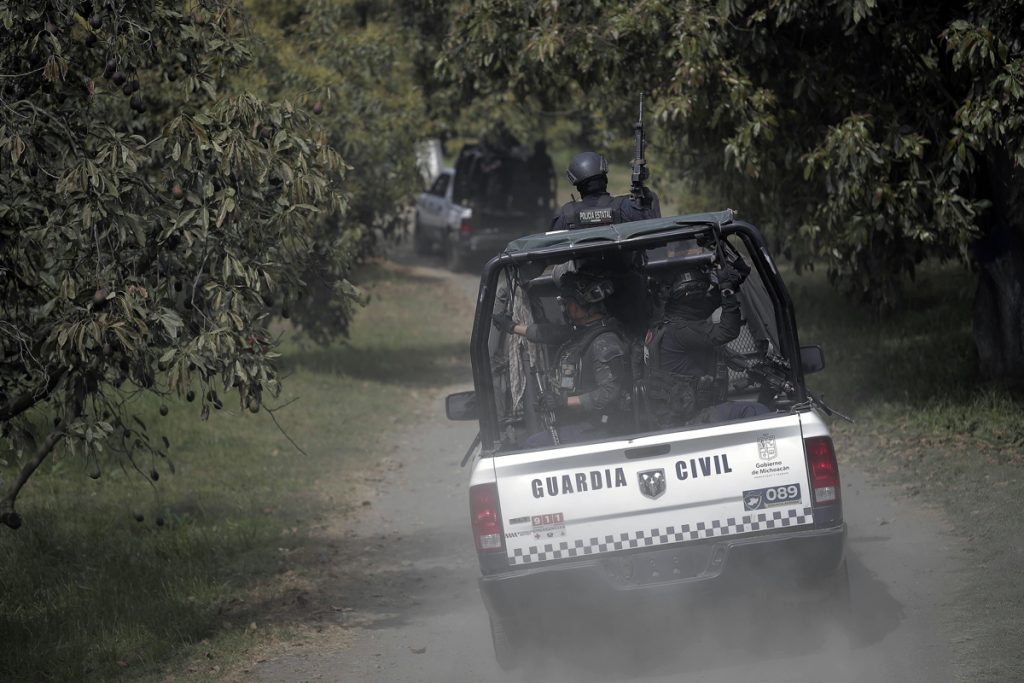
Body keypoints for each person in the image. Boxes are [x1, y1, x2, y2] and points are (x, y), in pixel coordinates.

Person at [491, 263, 630, 447]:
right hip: (581, 425)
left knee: (531, 446)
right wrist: (512, 327)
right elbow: (550, 333)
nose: (564, 308)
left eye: (567, 302)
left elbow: (610, 392)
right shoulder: (583, 331)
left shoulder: (604, 343)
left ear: (577, 307)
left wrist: (563, 401)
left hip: (598, 428)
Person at [645, 256, 769, 426]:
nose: (705, 298)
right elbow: (728, 331)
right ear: (690, 298)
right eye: (701, 295)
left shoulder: (670, 322)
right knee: (757, 411)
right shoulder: (682, 331)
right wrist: (726, 289)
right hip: (690, 419)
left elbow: (704, 306)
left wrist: (733, 282)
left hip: (676, 415)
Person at [550, 151, 660, 231]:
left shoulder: (565, 216)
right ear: (605, 179)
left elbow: (551, 253)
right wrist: (644, 196)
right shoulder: (625, 207)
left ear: (577, 186)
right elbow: (653, 233)